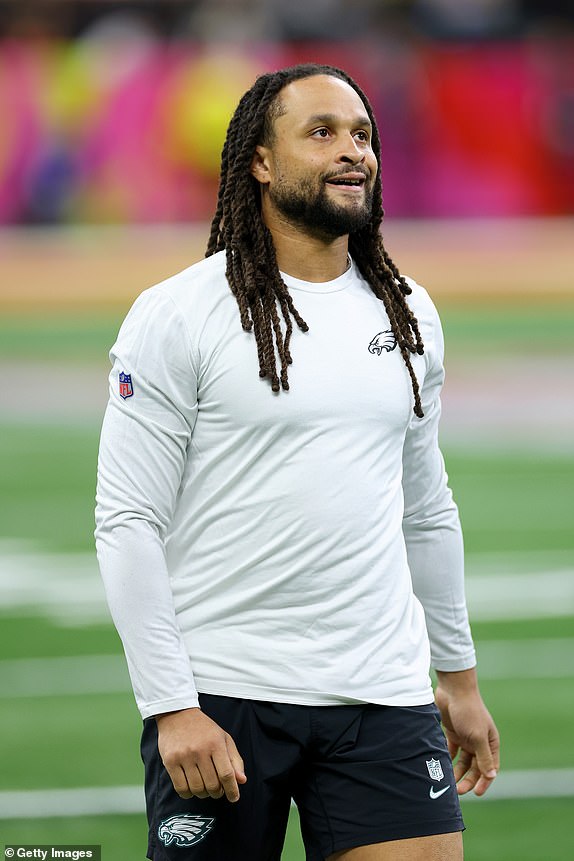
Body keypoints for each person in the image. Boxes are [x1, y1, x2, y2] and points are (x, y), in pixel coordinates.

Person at [95, 63, 500, 861]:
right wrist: (171, 704)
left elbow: (427, 505)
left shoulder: (409, 310)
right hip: (224, 698)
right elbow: (128, 519)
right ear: (261, 160)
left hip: (383, 693)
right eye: (322, 132)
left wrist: (457, 675)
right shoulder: (178, 312)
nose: (354, 151)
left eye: (362, 134)